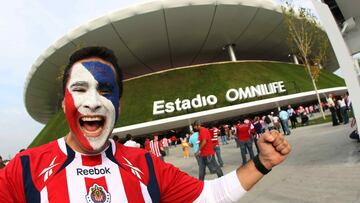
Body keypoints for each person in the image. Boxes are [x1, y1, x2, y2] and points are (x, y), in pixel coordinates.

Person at [0, 47, 291, 202]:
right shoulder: (25, 169)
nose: (92, 102)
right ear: (64, 103)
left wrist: (262, 162)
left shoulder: (145, 165)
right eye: (79, 89)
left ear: (119, 106)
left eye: (105, 90)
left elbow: (211, 195)